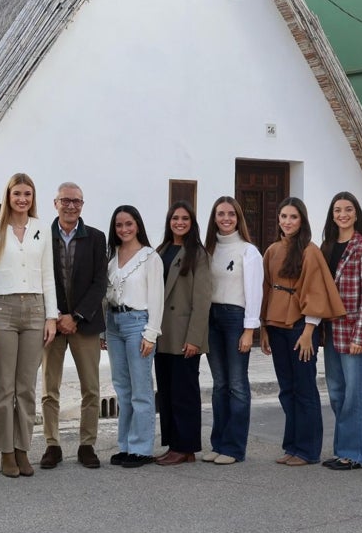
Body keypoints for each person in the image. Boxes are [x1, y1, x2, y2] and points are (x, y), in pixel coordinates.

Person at [0, 173, 58, 478]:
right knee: (3, 387)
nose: (22, 199)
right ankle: (6, 452)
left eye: (27, 194)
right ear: (8, 197)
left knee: (26, 387)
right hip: (3, 310)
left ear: (32, 197)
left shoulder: (41, 229)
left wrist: (51, 315)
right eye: (17, 194)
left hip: (35, 310)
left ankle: (23, 448)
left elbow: (48, 275)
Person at [260, 197, 345, 467]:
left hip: (299, 327)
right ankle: (292, 446)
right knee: (286, 389)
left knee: (305, 389)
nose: (287, 222)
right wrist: (263, 328)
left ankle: (308, 450)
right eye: (283, 216)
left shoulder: (310, 251)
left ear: (302, 220)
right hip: (275, 326)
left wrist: (308, 331)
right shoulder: (272, 250)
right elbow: (264, 288)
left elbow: (316, 290)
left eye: (293, 217)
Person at [39, 182, 107, 471]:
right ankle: (52, 445)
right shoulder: (41, 237)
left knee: (91, 388)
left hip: (85, 324)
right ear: (55, 203)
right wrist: (55, 316)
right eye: (65, 200)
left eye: (76, 201)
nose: (71, 205)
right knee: (48, 389)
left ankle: (87, 444)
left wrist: (76, 316)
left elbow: (99, 283)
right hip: (51, 324)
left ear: (82, 204)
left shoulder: (95, 237)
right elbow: (39, 280)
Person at [320, 192, 362, 471]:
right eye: (337, 210)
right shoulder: (327, 247)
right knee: (336, 392)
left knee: (356, 393)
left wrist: (361, 336)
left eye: (348, 209)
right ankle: (344, 450)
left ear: (356, 214)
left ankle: (357, 455)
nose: (342, 214)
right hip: (331, 331)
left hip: (354, 332)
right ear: (332, 215)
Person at [202, 197, 263, 465]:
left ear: (238, 217)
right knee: (219, 385)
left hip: (236, 318)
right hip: (211, 318)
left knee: (237, 385)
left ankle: (234, 447)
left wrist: (249, 330)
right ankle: (219, 443)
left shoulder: (249, 251)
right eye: (220, 214)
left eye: (231, 214)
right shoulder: (208, 249)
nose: (225, 218)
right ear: (214, 218)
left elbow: (255, 293)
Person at [104, 205, 164, 468]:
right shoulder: (112, 256)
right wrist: (104, 331)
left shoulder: (150, 257)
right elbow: (107, 296)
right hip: (114, 324)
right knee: (122, 388)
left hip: (138, 323)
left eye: (128, 224)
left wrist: (151, 333)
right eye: (119, 225)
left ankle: (141, 448)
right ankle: (126, 445)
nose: (124, 229)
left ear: (137, 225)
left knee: (141, 389)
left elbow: (157, 299)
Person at [154, 200, 213, 466]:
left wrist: (194, 338)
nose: (179, 222)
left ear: (192, 223)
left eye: (185, 219)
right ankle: (174, 444)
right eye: (175, 218)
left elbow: (202, 301)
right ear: (169, 222)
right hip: (162, 332)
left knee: (184, 392)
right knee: (166, 391)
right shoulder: (161, 249)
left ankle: (186, 446)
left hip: (184, 334)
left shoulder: (198, 254)